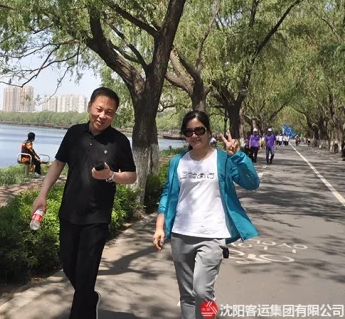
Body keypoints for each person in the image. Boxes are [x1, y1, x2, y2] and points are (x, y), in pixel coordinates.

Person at [31, 87, 137, 319]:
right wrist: (42, 195)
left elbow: (131, 176)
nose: (102, 115)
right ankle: (91, 299)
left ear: (114, 115)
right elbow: (58, 164)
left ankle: (82, 309)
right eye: (99, 109)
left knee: (86, 276)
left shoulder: (119, 141)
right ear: (90, 107)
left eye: (109, 112)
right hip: (69, 213)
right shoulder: (74, 133)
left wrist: (111, 175)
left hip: (97, 218)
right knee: (69, 266)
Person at [153, 110, 259, 319]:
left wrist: (237, 156)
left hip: (212, 235)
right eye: (188, 132)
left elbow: (252, 183)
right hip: (181, 234)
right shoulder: (178, 162)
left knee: (202, 291)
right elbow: (168, 194)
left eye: (199, 130)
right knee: (187, 295)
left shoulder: (223, 160)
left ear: (209, 131)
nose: (194, 135)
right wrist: (159, 227)